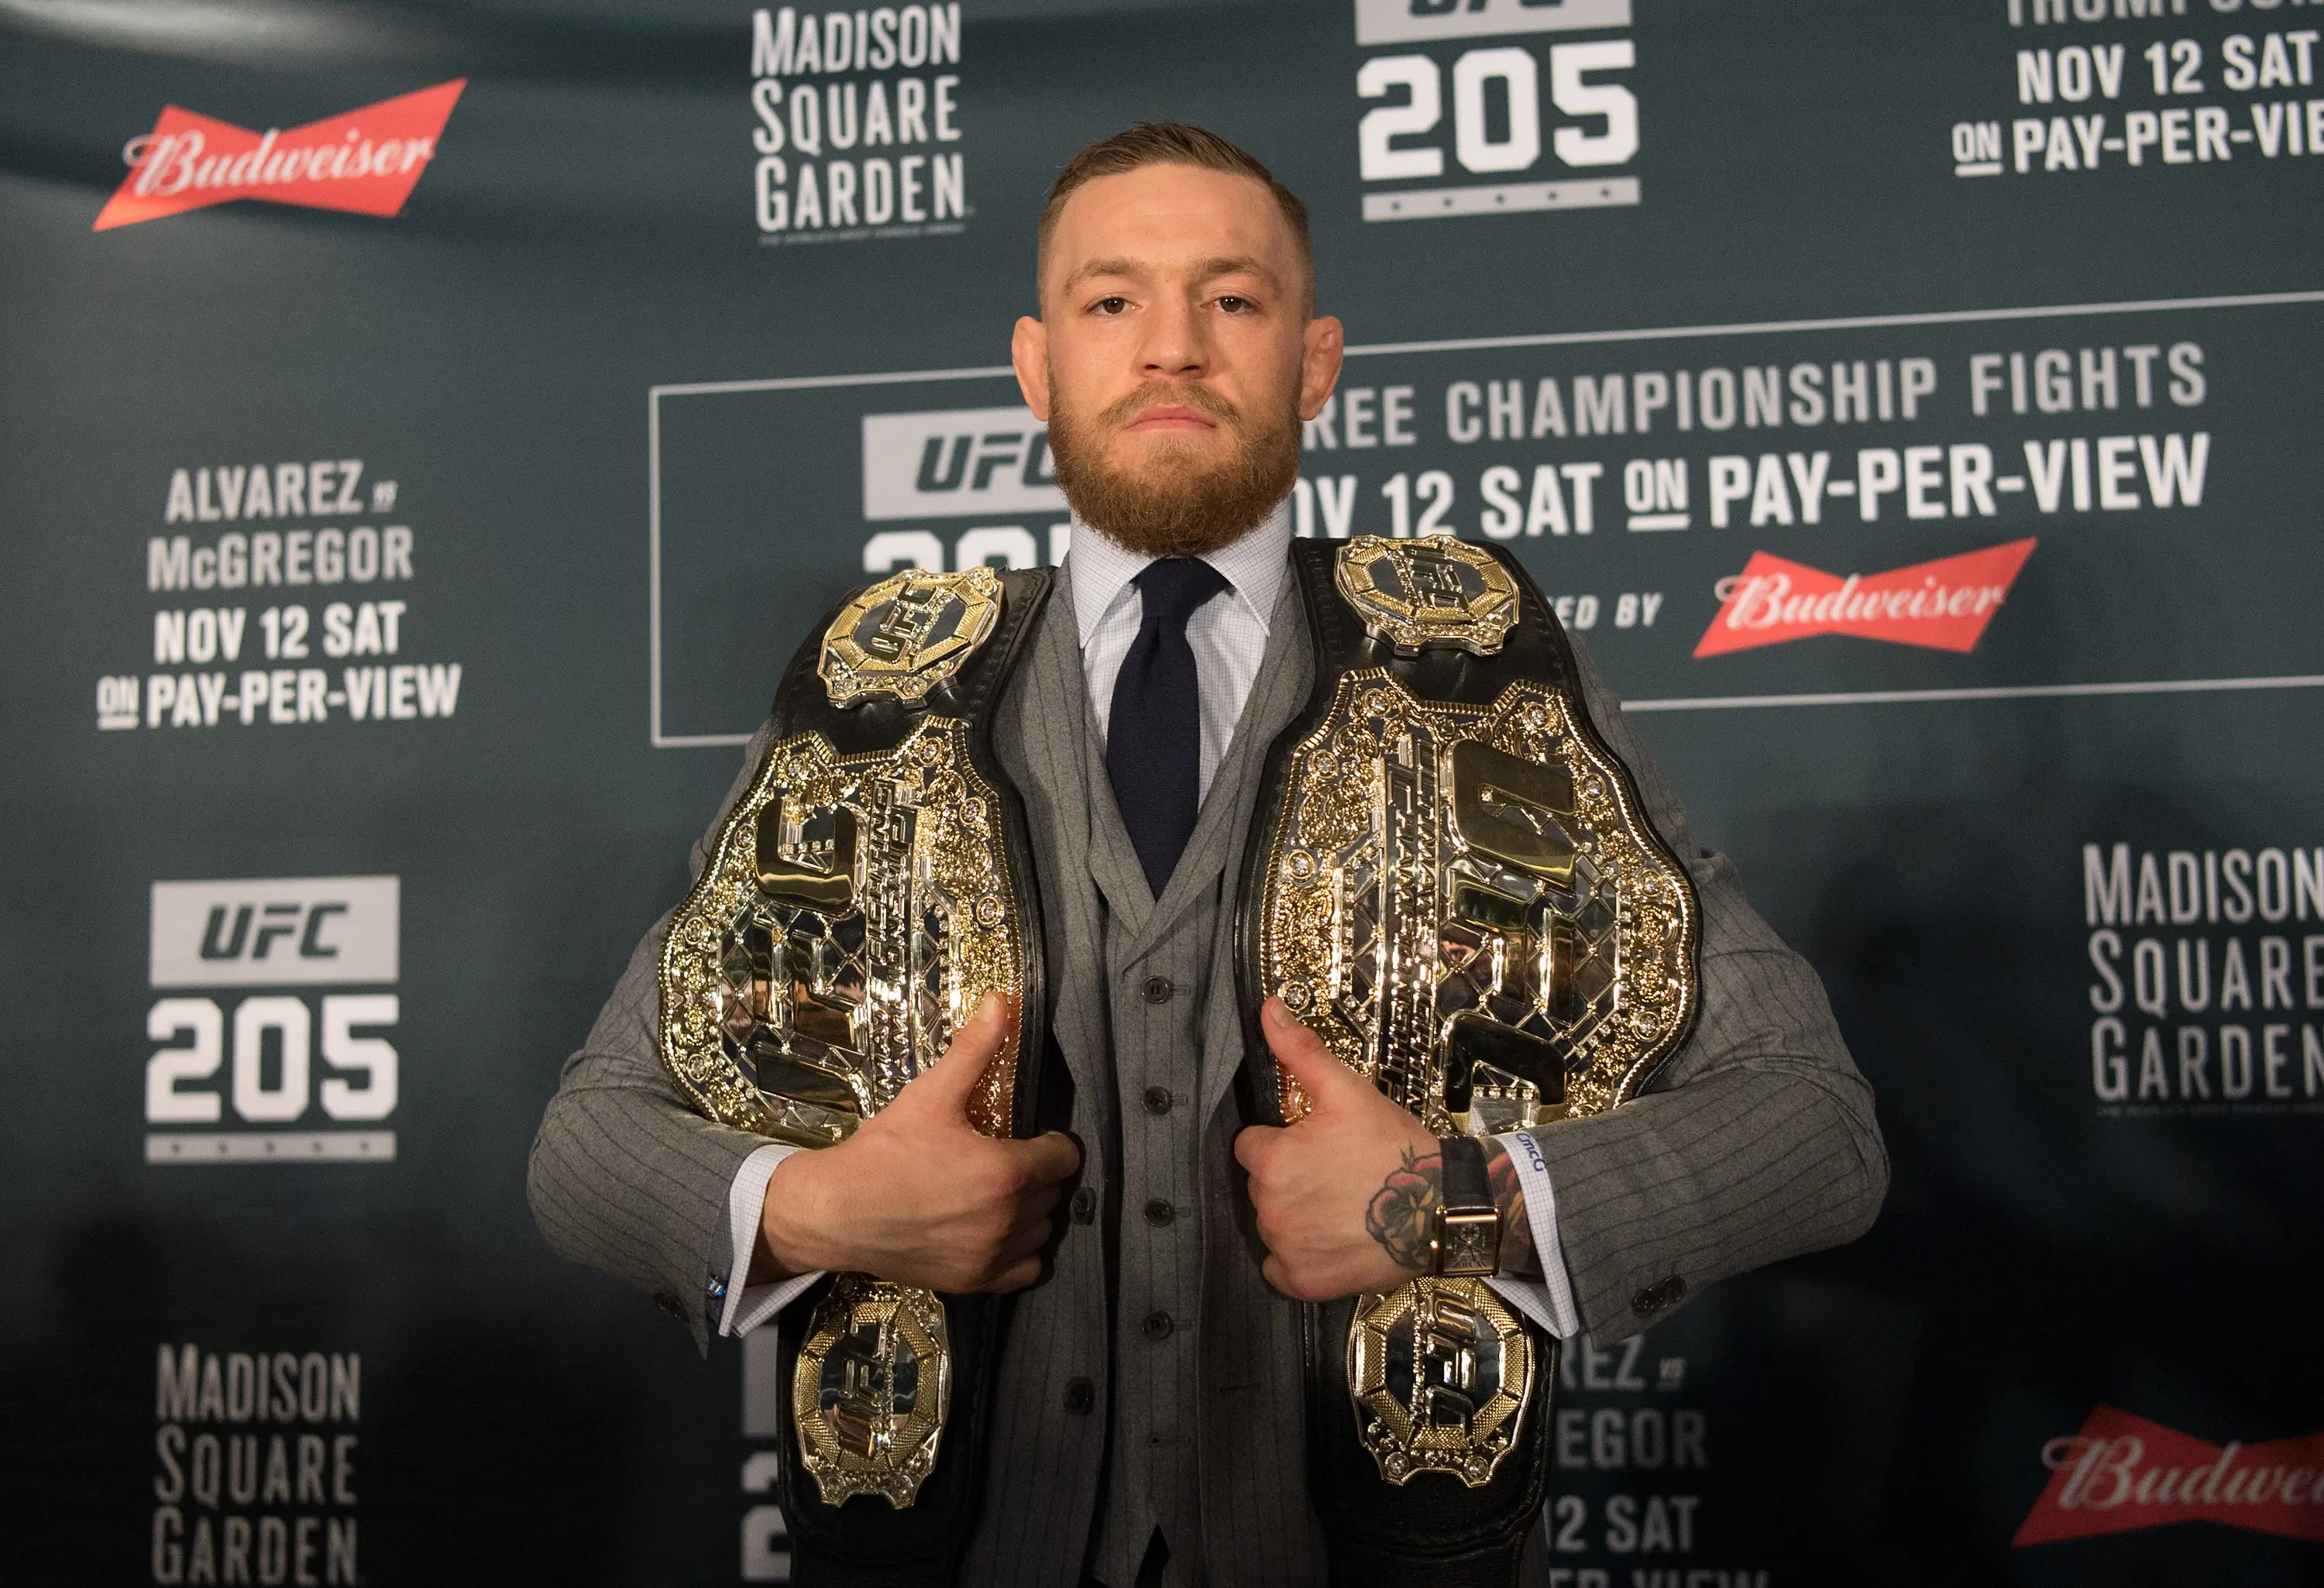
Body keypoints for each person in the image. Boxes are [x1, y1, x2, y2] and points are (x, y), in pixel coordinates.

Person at [529, 121, 1887, 1588]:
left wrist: (1456, 1203)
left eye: (1232, 300)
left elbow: (1816, 1127)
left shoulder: (1485, 676)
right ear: (1040, 366)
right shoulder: (876, 692)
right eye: (1114, 302)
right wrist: (812, 1210)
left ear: (1314, 361)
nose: (1171, 347)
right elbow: (589, 1139)